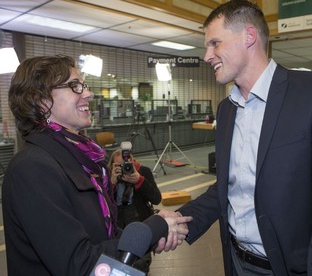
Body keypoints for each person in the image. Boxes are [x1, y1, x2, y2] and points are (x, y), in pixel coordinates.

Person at [158, 0, 312, 276]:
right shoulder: (226, 110)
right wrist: (179, 219)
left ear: (249, 36)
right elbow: (227, 189)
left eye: (215, 43)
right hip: (237, 263)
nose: (207, 56)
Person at [2, 55, 191, 276]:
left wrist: (145, 237)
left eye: (84, 86)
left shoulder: (78, 158)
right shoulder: (32, 168)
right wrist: (153, 228)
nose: (88, 93)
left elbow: (101, 234)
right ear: (40, 100)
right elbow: (77, 263)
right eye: (75, 86)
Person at [108, 148, 162, 274]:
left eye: (126, 165)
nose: (124, 168)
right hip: (118, 223)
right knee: (118, 261)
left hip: (139, 220)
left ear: (132, 161)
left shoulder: (143, 171)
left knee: (141, 262)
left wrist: (140, 181)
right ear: (112, 166)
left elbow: (156, 198)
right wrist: (111, 184)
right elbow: (100, 203)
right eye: (119, 166)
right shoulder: (108, 175)